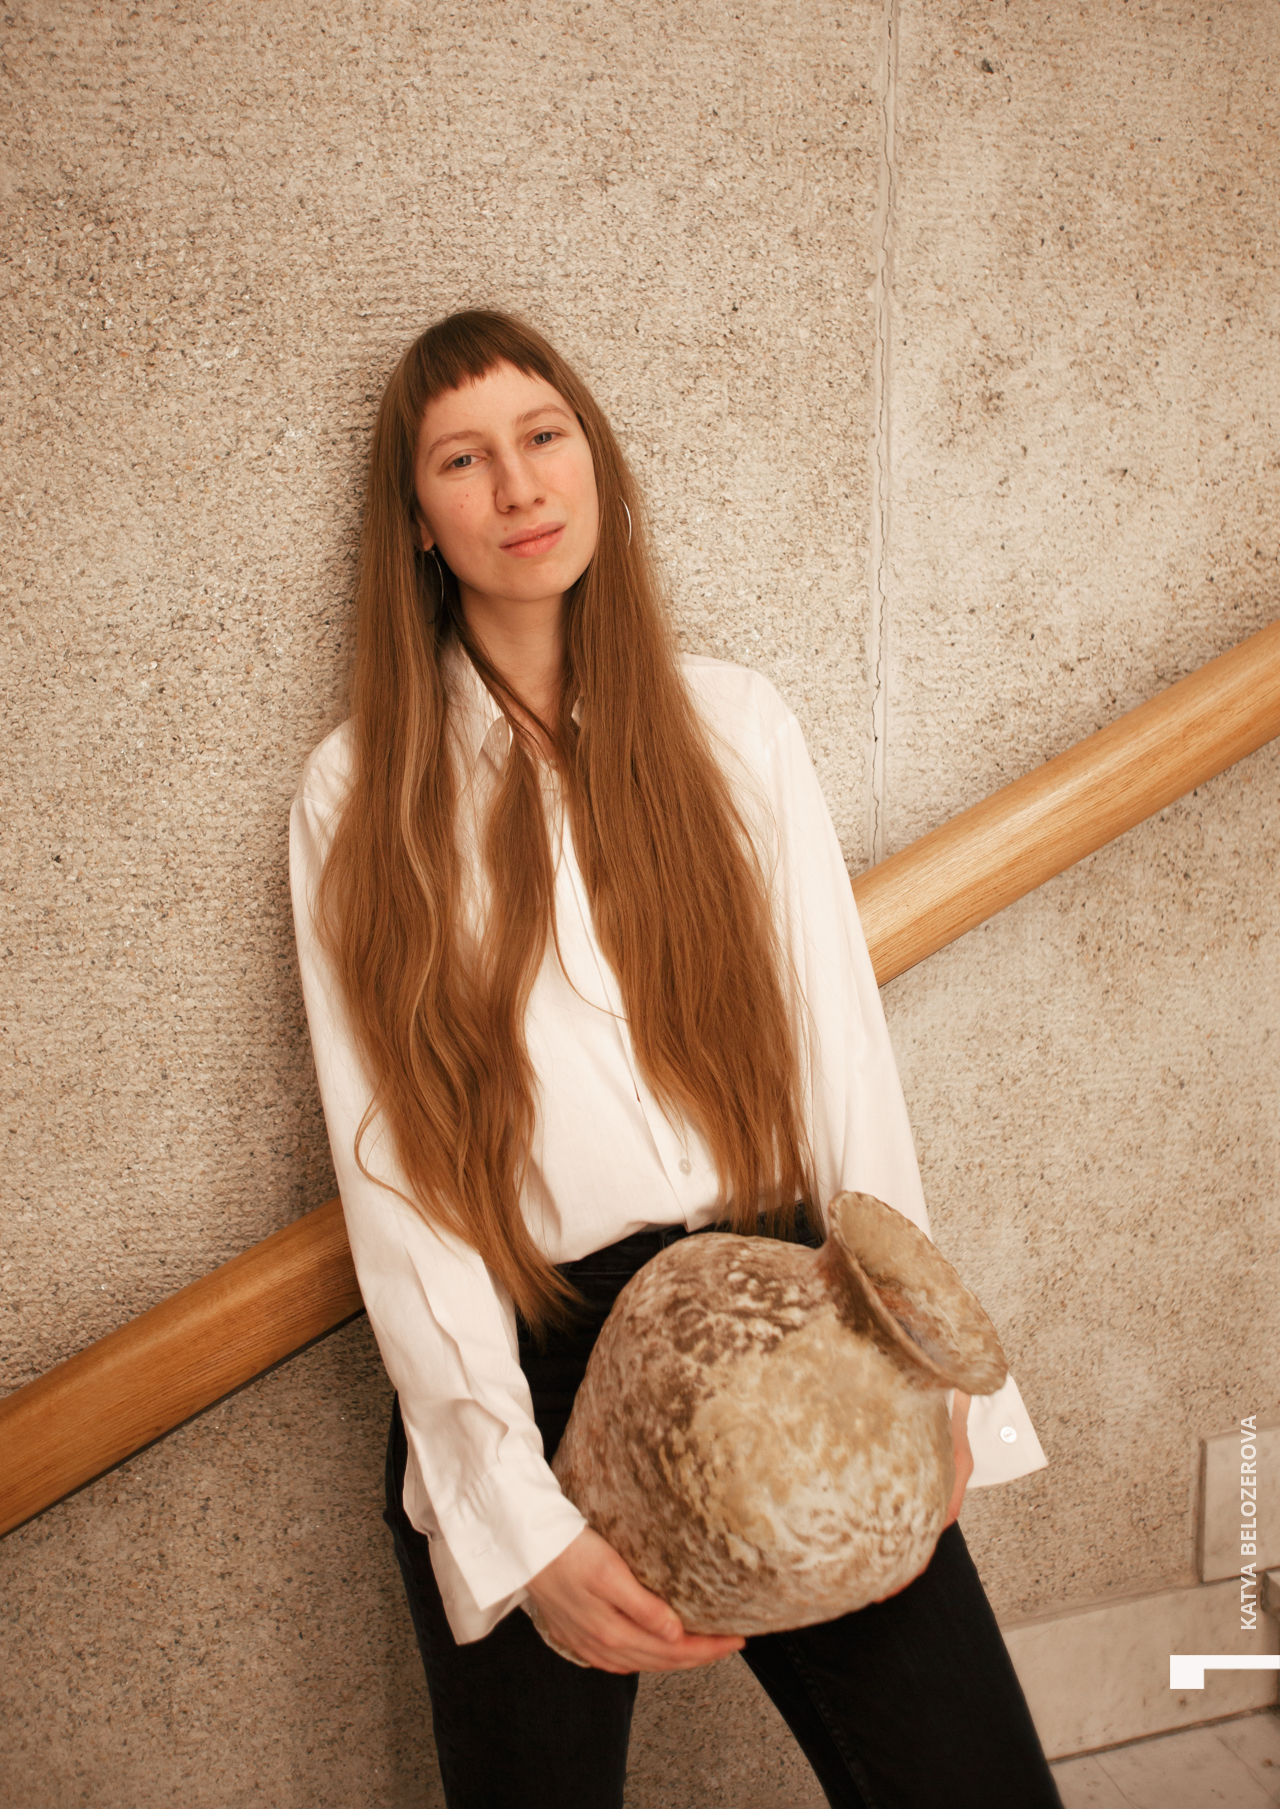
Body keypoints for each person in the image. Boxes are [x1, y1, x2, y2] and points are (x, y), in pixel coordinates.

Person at [289, 309, 1062, 1808]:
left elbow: (844, 1072)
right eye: (463, 459)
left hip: (789, 1321)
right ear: (420, 522)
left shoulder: (733, 726)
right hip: (533, 1358)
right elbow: (400, 1182)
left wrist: (914, 1367)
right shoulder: (359, 794)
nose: (519, 483)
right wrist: (521, 1525)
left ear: (595, 463)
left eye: (544, 435)